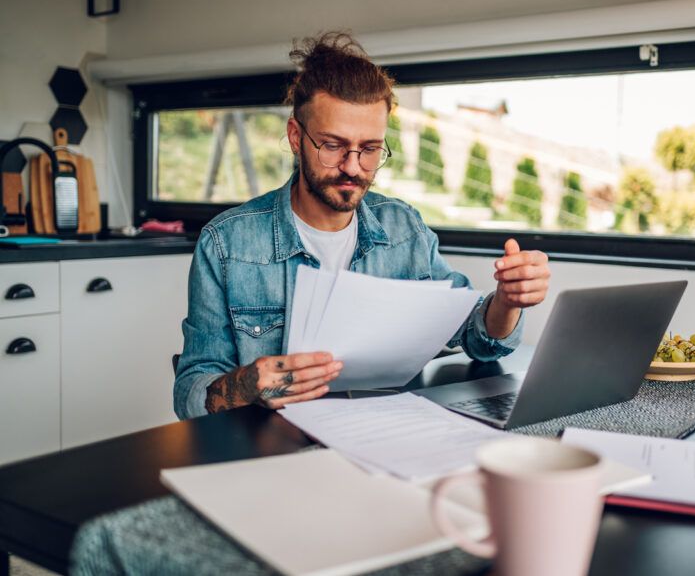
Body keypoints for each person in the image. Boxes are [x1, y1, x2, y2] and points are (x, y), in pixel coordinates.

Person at [174, 32, 551, 420]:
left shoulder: (404, 228)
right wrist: (247, 384)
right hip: (275, 445)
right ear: (295, 137)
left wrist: (507, 301)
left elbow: (476, 336)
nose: (353, 167)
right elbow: (191, 392)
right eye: (333, 146)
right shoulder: (226, 244)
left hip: (387, 434)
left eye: (370, 149)